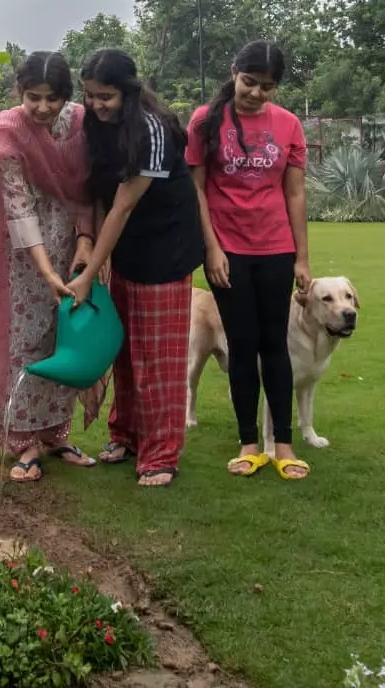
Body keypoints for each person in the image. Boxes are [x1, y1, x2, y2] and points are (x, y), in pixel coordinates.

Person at [66, 49, 204, 488]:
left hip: (166, 246)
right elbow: (100, 192)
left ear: (128, 91)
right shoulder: (98, 123)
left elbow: (124, 205)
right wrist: (87, 245)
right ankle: (125, 434)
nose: (96, 105)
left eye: (105, 96)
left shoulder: (153, 129)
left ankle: (162, 452)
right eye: (89, 96)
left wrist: (89, 276)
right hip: (125, 244)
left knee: (158, 357)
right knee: (122, 348)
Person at [0, 50, 103, 483]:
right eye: (33, 97)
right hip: (23, 258)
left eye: (53, 98)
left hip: (74, 246)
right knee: (26, 340)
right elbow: (19, 210)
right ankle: (24, 441)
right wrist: (46, 274)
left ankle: (55, 435)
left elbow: (89, 189)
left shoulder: (80, 124)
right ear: (18, 93)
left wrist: (85, 241)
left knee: (66, 335)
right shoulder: (8, 133)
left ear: (67, 96)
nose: (43, 107)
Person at [185, 40, 312, 481]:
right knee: (242, 347)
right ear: (233, 71)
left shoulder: (289, 125)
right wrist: (212, 248)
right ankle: (248, 443)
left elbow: (294, 193)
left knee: (274, 345)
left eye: (267, 87)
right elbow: (197, 189)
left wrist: (302, 259)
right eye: (249, 82)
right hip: (228, 252)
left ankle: (284, 444)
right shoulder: (205, 121)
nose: (256, 93)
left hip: (276, 250)